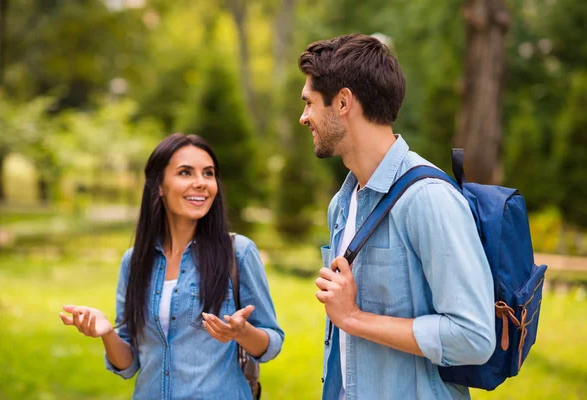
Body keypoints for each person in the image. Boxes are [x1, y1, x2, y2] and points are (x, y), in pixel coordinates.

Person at [298, 34, 496, 399]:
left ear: (343, 102)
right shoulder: (341, 205)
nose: (303, 117)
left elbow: (474, 336)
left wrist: (355, 318)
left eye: (309, 103)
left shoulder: (428, 199)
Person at [59, 133, 284, 399]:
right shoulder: (134, 262)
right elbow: (128, 364)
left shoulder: (238, 252)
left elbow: (272, 342)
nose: (201, 183)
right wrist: (107, 332)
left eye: (208, 173)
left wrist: (242, 332)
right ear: (159, 186)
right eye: (185, 173)